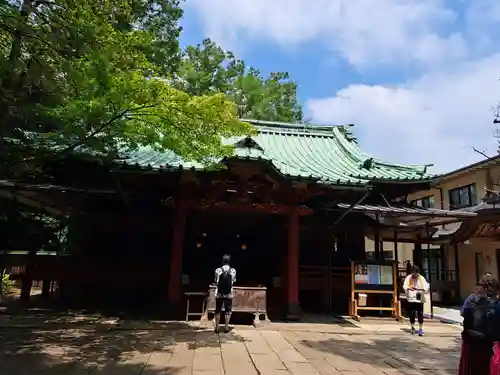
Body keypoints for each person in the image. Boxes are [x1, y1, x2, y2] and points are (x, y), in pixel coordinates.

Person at [459, 277, 498, 375]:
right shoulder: (493, 305)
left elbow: (466, 325)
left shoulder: (474, 305)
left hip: (478, 344)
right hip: (483, 344)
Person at [403, 265, 429, 336]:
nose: (414, 274)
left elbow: (426, 286)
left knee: (420, 313)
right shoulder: (408, 278)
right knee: (412, 313)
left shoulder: (421, 278)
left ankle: (420, 328)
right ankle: (412, 327)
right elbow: (405, 286)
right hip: (411, 298)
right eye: (413, 273)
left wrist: (422, 289)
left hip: (419, 297)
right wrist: (409, 288)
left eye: (416, 273)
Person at [213, 254, 236, 333]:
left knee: (217, 310)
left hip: (219, 293)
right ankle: (226, 327)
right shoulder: (233, 270)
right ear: (230, 262)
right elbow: (234, 281)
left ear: (222, 261)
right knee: (228, 310)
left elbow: (216, 281)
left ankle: (217, 327)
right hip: (229, 293)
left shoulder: (217, 270)